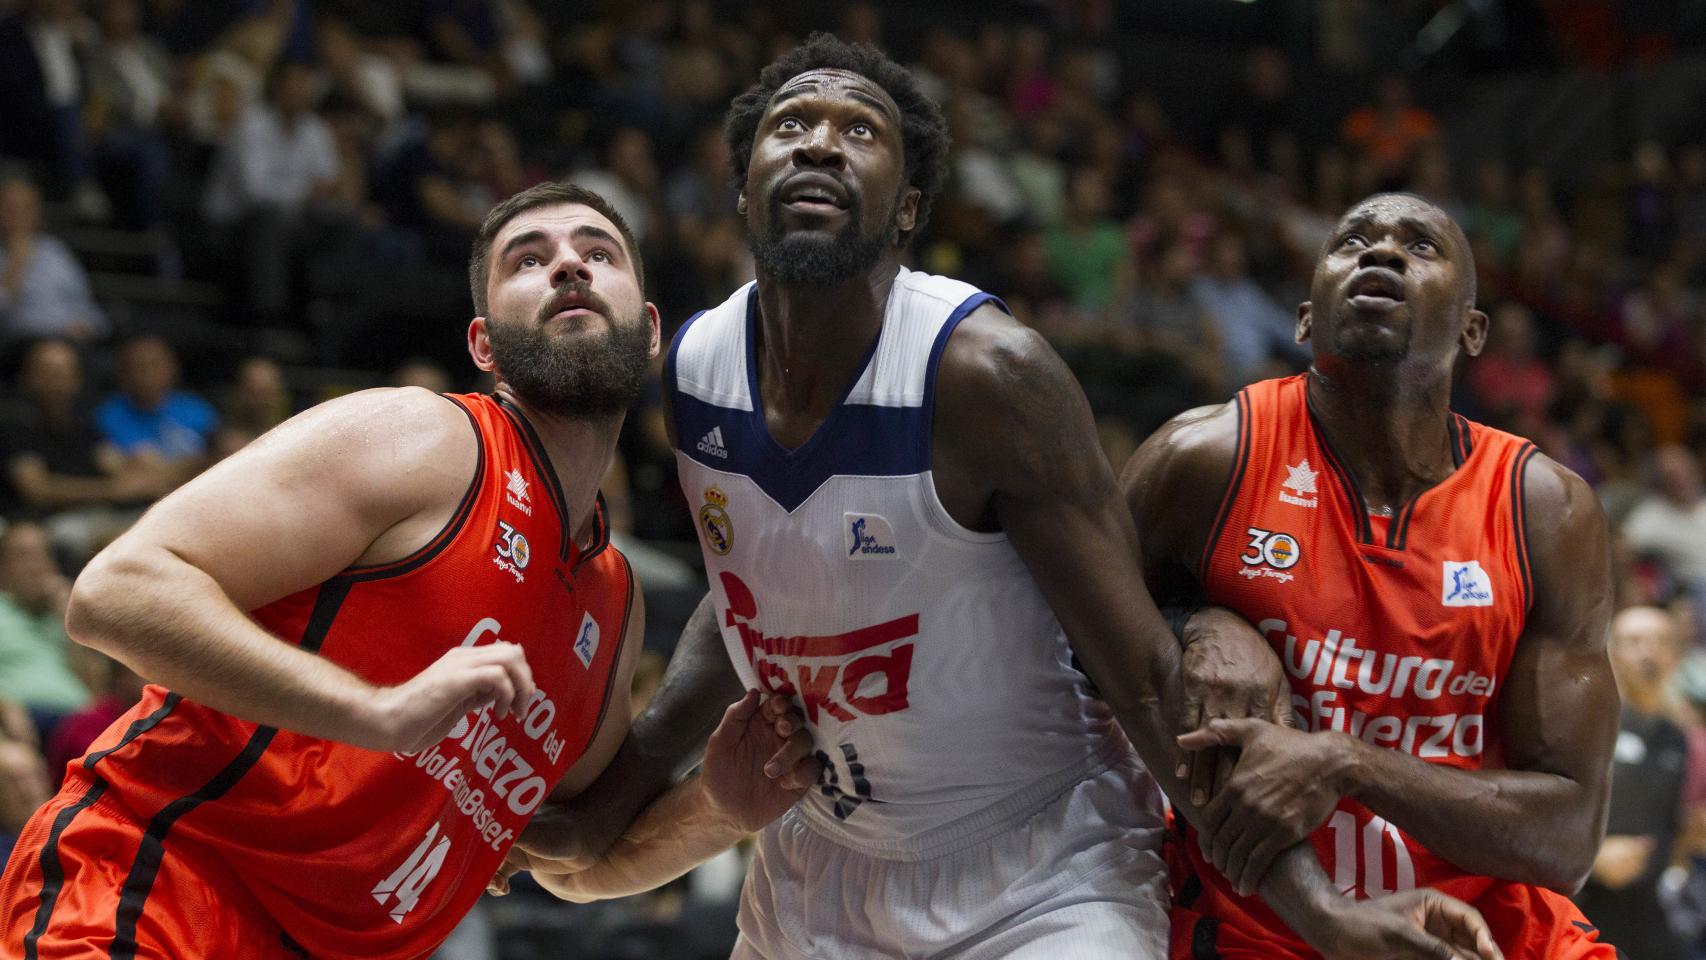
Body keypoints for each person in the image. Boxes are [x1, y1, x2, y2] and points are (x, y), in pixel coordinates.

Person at [504, 36, 1501, 960]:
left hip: (1041, 867)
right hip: (823, 865)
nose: (818, 144)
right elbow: (747, 604)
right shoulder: (693, 372)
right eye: (789, 127)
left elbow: (1143, 681)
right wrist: (596, 815)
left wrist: (1320, 912)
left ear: (905, 207)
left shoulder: (986, 377)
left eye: (860, 132)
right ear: (743, 188)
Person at [0, 181, 816, 960]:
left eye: (597, 252)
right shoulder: (424, 443)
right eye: (528, 260)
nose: (568, 265)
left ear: (647, 333)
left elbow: (565, 861)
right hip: (161, 894)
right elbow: (116, 591)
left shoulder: (614, 602)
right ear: (484, 344)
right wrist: (375, 712)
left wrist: (715, 811)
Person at [1123, 192, 1618, 958]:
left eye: (1420, 246)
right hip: (1257, 920)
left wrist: (1347, 762)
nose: (1380, 254)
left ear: (1473, 329)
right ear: (1305, 319)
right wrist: (1197, 625)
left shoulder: (1545, 510)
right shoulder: (1205, 459)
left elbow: (1566, 839)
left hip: (1486, 927)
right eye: (1353, 241)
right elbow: (1074, 637)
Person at [1574, 606, 1688, 960]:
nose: (1649, 651)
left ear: (1676, 655)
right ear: (1611, 652)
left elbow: (1671, 823)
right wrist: (1592, 862)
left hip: (1647, 911)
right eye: (1635, 641)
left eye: (1661, 641)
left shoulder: (1675, 737)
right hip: (1586, 905)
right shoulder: (1588, 723)